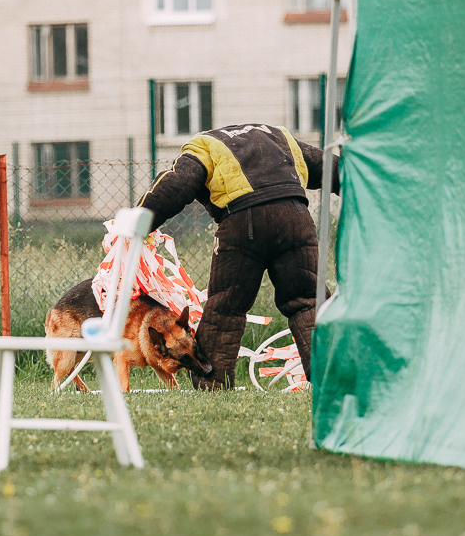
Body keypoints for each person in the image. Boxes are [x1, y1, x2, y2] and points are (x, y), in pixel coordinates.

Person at [138, 122, 339, 389]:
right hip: (296, 217)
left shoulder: (205, 144)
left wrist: (140, 221)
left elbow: (176, 184)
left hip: (242, 222)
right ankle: (335, 377)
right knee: (309, 300)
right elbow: (332, 167)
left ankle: (213, 387)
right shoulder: (278, 136)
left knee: (225, 308)